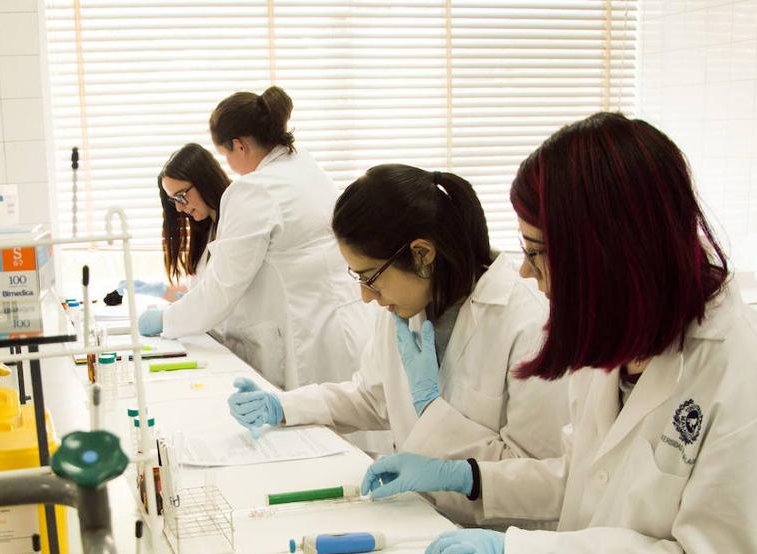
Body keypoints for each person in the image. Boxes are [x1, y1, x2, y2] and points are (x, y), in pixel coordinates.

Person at [360, 113, 757, 554]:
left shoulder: (744, 376)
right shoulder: (623, 343)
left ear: (605, 249)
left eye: (536, 252)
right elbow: (585, 477)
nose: (525, 271)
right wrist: (468, 476)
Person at [227, 164, 568, 525]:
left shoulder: (529, 326)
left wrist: (432, 411)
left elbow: (541, 476)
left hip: (495, 540)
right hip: (419, 518)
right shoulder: (408, 307)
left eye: (370, 277)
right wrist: (284, 406)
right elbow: (373, 397)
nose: (365, 296)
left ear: (422, 254)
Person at [137, 87, 373, 390]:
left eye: (225, 155)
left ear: (239, 145)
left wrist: (166, 320)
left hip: (306, 338)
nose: (230, 166)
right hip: (347, 322)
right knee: (351, 429)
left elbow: (222, 288)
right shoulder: (306, 168)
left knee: (318, 429)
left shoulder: (254, 190)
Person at [124, 143, 231, 302]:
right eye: (174, 200)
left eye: (181, 195)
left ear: (204, 180)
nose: (179, 208)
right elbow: (197, 293)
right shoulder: (208, 228)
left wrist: (165, 318)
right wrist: (161, 291)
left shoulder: (234, 224)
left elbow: (217, 297)